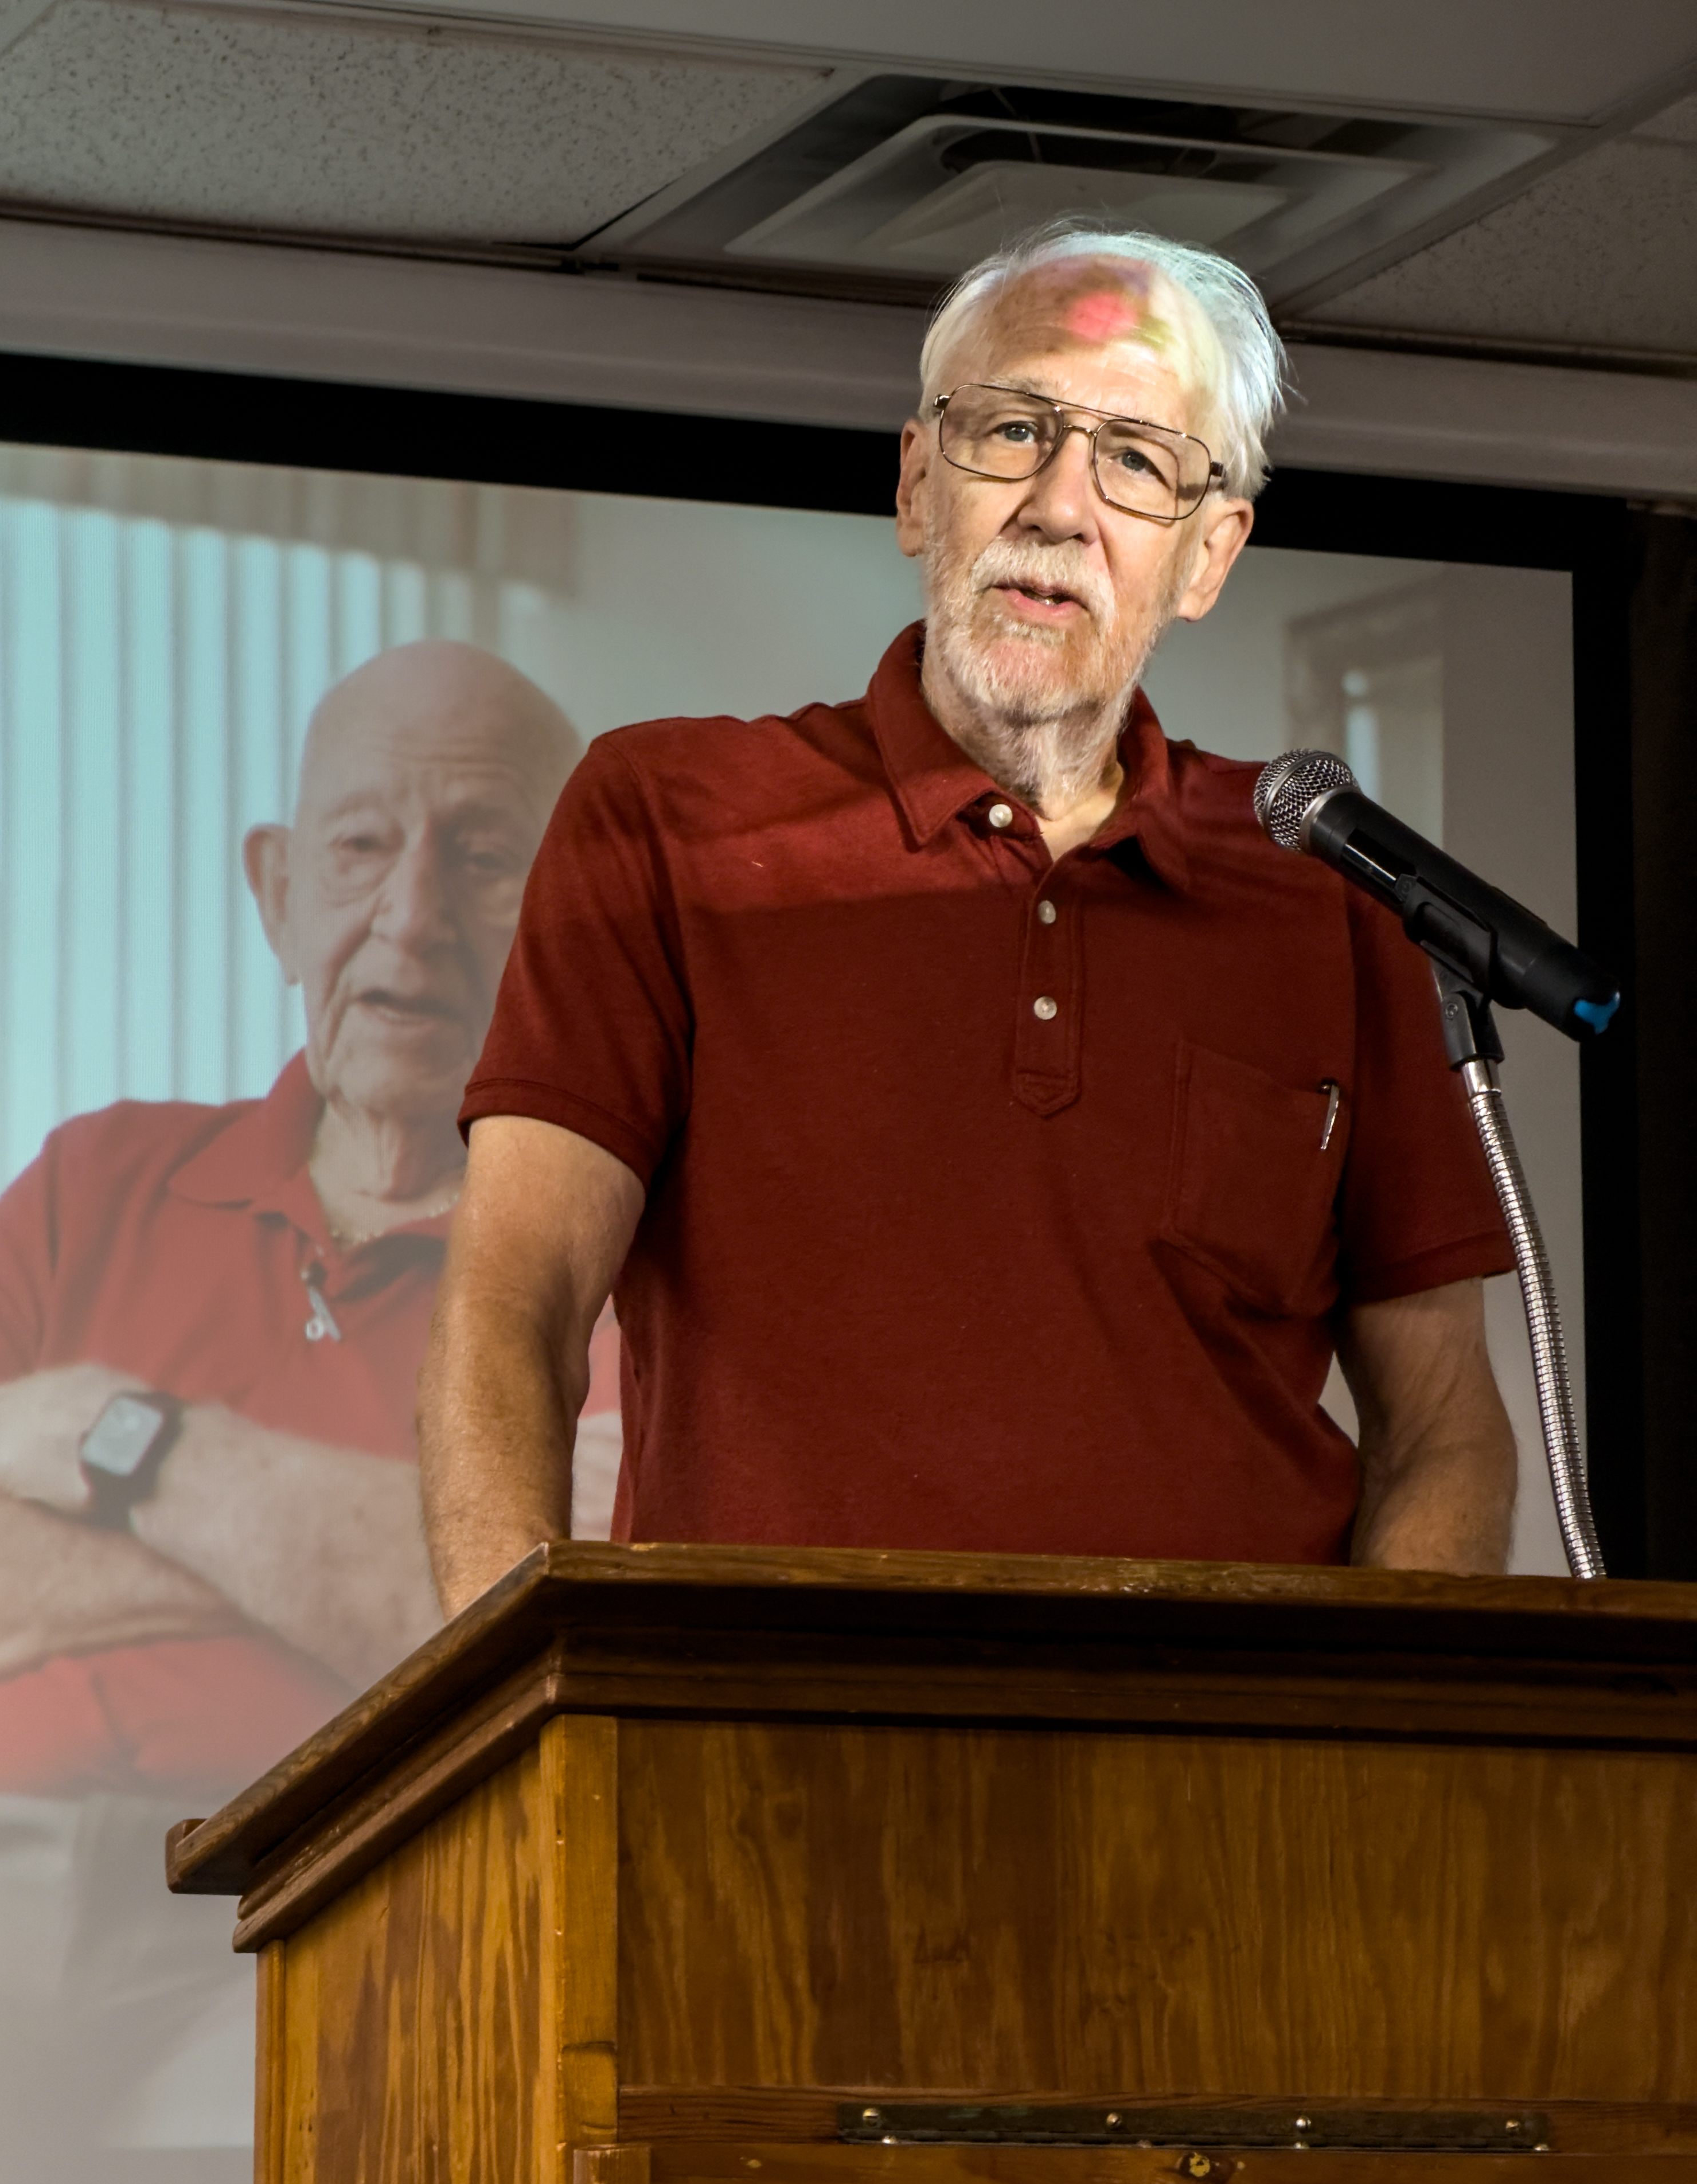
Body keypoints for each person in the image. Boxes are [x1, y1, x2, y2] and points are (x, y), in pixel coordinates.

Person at [420, 225, 1519, 1618]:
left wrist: (1371, 1774)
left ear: (1208, 555)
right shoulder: (669, 815)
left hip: (1228, 1801)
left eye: (1135, 459)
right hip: (762, 1780)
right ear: (920, 486)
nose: (1059, 505)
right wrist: (517, 1735)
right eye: (1014, 428)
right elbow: (512, 1308)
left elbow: (1444, 1427)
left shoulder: (1330, 888)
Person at [0, 638, 582, 1791]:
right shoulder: (93, 1182)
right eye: (359, 848)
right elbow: (475, 1584)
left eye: (484, 855)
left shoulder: (615, 1270)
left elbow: (549, 1631)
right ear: (280, 895)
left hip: (344, 1920)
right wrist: (347, 1550)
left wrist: (109, 1441)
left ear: (570, 917)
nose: (410, 918)